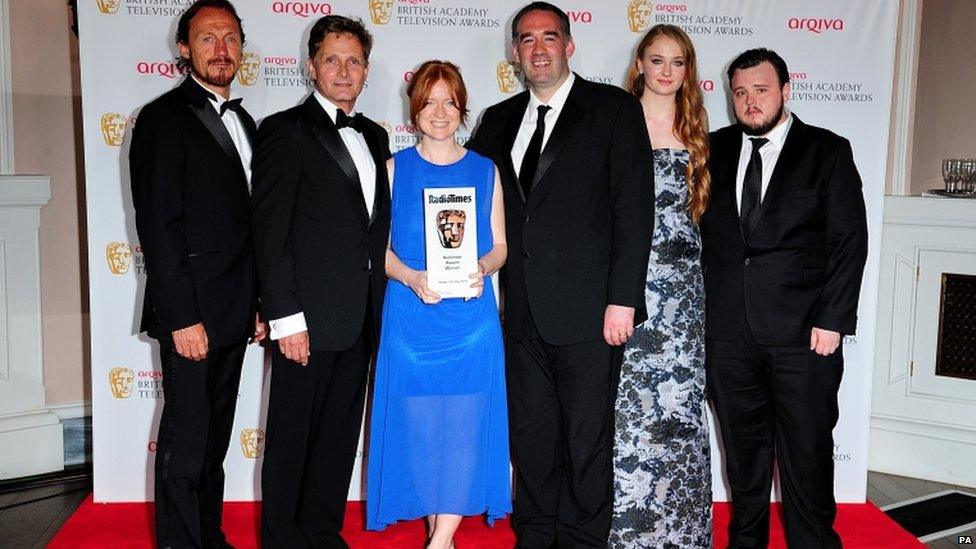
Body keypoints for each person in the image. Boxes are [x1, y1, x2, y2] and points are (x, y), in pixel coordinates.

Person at [466, 3, 654, 546]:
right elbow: (473, 207)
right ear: (515, 53)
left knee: (586, 441)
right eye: (526, 40)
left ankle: (582, 541)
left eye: (550, 37)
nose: (539, 48)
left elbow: (633, 209)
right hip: (518, 314)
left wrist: (623, 300)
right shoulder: (496, 121)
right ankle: (536, 536)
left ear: (570, 46)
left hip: (592, 314)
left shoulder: (613, 109)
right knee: (531, 438)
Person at [701, 48, 868, 548]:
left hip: (804, 338)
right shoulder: (710, 149)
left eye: (762, 90)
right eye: (740, 92)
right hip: (729, 335)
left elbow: (848, 243)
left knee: (807, 458)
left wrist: (833, 320)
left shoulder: (827, 150)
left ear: (786, 91)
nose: (750, 102)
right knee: (744, 463)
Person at [250, 15, 391, 548]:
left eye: (353, 61)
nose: (343, 70)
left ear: (366, 70)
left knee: (337, 437)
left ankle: (321, 531)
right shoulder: (284, 130)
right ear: (311, 66)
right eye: (331, 59)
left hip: (360, 318)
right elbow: (270, 233)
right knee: (291, 439)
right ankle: (283, 539)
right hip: (303, 320)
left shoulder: (376, 136)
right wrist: (285, 317)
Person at [128, 1, 263, 546]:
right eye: (208, 38)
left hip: (235, 311)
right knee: (185, 446)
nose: (221, 49)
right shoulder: (163, 119)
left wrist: (259, 303)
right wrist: (181, 317)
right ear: (184, 49)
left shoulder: (247, 123)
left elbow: (250, 226)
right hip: (192, 317)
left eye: (230, 38)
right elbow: (159, 228)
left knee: (214, 443)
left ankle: (210, 535)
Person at [365, 60, 511, 548]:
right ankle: (440, 536)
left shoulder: (485, 170)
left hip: (471, 322)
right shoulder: (392, 170)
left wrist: (483, 269)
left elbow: (500, 246)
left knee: (465, 431)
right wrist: (410, 276)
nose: (440, 111)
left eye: (450, 101)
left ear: (462, 108)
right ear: (414, 110)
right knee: (424, 435)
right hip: (410, 320)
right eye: (430, 101)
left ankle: (440, 540)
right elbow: (378, 251)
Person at [610, 24, 711, 548]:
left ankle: (682, 532)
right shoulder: (615, 118)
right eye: (657, 60)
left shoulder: (698, 128)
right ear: (640, 65)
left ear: (688, 70)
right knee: (631, 408)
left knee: (681, 407)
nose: (666, 71)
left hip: (685, 293)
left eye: (677, 62)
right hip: (629, 284)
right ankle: (628, 532)